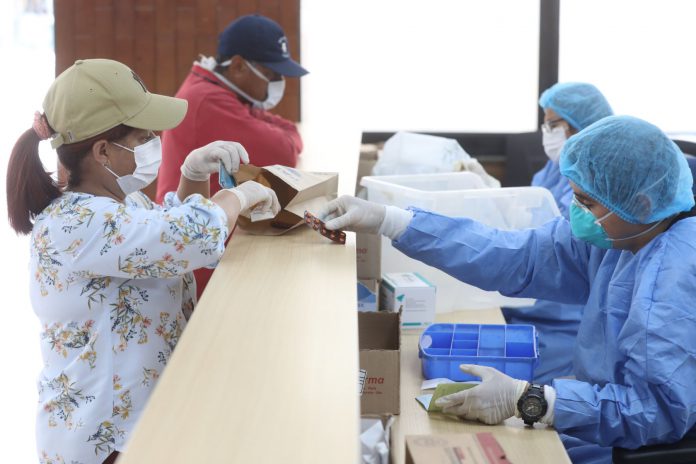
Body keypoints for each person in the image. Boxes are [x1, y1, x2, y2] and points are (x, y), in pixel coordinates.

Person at [320, 116, 696, 463]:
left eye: (586, 202)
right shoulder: (621, 234)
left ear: (641, 204)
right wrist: (394, 221)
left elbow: (657, 412)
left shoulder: (673, 276)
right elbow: (516, 256)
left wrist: (532, 400)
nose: (575, 212)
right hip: (595, 416)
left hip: (628, 442)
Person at [5, 58, 280, 464]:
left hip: (135, 424)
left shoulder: (121, 202)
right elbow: (188, 236)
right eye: (143, 136)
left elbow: (165, 246)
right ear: (102, 151)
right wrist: (239, 195)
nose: (156, 142)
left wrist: (192, 174)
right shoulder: (78, 223)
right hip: (104, 440)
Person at [157, 14, 308, 298]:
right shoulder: (208, 101)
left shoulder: (223, 92)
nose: (278, 82)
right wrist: (282, 132)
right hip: (199, 263)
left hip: (209, 242)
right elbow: (285, 150)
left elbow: (287, 130)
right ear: (238, 66)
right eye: (272, 74)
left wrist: (280, 130)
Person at [502, 82, 613, 384]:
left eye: (553, 125)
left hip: (565, 315)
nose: (547, 133)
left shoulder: (598, 177)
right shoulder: (556, 168)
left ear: (580, 125)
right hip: (535, 298)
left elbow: (565, 243)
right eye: (545, 125)